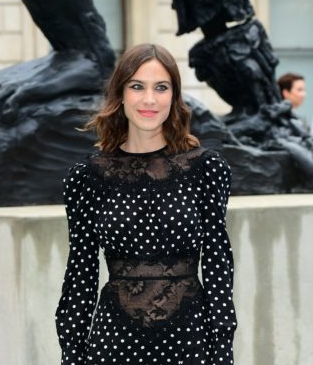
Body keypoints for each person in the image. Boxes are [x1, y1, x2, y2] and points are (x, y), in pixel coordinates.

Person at [55, 43, 237, 364]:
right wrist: (72, 352)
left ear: (174, 96)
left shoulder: (206, 170)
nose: (149, 99)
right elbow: (81, 272)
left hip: (190, 341)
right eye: (137, 86)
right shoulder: (87, 177)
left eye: (161, 87)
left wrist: (222, 348)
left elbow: (218, 265)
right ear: (120, 94)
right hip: (113, 343)